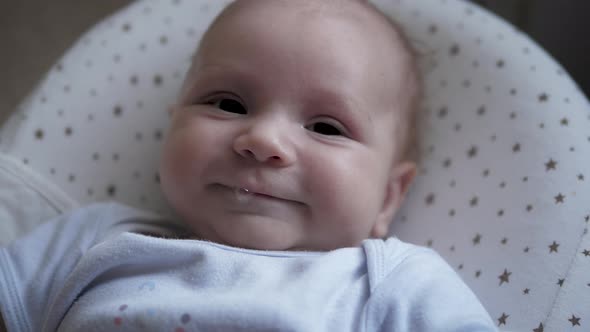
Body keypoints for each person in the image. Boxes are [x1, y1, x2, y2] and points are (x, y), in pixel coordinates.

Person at [0, 0, 497, 330]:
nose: (262, 140)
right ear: (174, 126)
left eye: (326, 127)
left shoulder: (388, 284)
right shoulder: (96, 239)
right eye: (227, 104)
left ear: (389, 195)